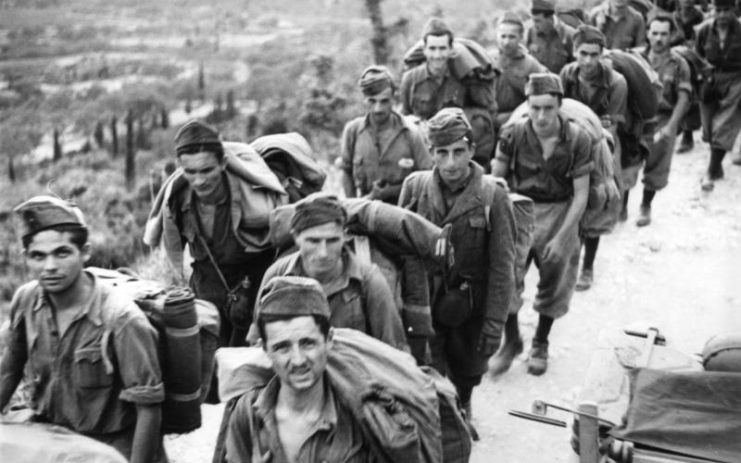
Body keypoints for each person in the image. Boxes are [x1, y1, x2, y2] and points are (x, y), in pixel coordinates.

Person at [0, 196, 165, 463]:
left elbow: (148, 408)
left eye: (62, 253)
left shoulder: (121, 319)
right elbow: (9, 370)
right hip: (53, 439)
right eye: (38, 256)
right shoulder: (26, 300)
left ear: (85, 252)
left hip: (109, 448)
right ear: (25, 258)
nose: (49, 266)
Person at [399, 108, 516, 418]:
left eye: (458, 152)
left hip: (471, 306)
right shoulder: (414, 188)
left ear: (472, 151)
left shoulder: (493, 195)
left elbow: (503, 266)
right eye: (442, 153)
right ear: (431, 153)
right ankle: (443, 419)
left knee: (468, 370)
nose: (450, 163)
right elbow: (400, 249)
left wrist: (494, 324)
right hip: (425, 301)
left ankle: (463, 404)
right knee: (428, 371)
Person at [490, 73, 591, 375]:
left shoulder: (577, 138)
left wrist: (563, 237)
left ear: (560, 105)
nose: (541, 116)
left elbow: (581, 194)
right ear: (527, 106)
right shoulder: (514, 134)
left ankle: (540, 341)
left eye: (548, 108)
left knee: (556, 278)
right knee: (506, 276)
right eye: (535, 108)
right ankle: (511, 341)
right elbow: (497, 180)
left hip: (561, 210)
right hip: (520, 208)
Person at [144, 120, 277, 347]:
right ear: (179, 166)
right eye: (190, 172)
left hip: (253, 288)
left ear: (223, 163)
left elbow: (279, 245)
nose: (199, 181)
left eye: (207, 170)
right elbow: (172, 247)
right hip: (206, 285)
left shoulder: (255, 200)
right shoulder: (176, 200)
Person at [225, 276, 375, 463]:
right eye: (282, 347)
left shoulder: (361, 415)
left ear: (328, 340)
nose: (297, 360)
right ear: (265, 349)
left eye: (307, 343)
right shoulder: (247, 414)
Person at [250, 194, 409, 352]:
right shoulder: (277, 276)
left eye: (332, 241)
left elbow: (393, 351)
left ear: (344, 237)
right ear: (296, 237)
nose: (323, 253)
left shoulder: (369, 281)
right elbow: (258, 347)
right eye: (313, 241)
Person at [560, 25, 628, 291]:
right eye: (583, 53)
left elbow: (610, 128)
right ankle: (566, 256)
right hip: (570, 138)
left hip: (604, 143)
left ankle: (588, 265)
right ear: (575, 52)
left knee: (598, 200)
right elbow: (560, 109)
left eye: (594, 54)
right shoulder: (567, 74)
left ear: (603, 54)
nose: (588, 61)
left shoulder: (616, 83)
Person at [632, 12, 692, 226]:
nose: (658, 39)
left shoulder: (679, 64)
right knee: (626, 163)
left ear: (671, 35)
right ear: (647, 33)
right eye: (654, 33)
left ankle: (645, 205)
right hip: (637, 117)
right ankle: (620, 207)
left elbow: (684, 98)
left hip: (663, 118)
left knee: (656, 166)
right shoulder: (635, 58)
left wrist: (671, 128)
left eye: (664, 34)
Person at [341, 65, 432, 204]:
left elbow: (427, 178)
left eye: (384, 101)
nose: (378, 109)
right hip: (365, 211)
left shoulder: (411, 133)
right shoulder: (353, 131)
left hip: (403, 212)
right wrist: (351, 206)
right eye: (372, 101)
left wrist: (391, 191)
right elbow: (346, 172)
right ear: (364, 99)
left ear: (393, 100)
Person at [696, 0, 741, 191]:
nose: (722, 15)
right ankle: (717, 166)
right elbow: (696, 56)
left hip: (736, 79)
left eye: (726, 10)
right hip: (710, 79)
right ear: (713, 10)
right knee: (708, 130)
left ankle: (710, 172)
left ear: (733, 10)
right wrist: (702, 77)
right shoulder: (704, 30)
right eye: (718, 10)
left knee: (723, 125)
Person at [400, 18, 466, 120]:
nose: (437, 55)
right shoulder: (410, 79)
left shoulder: (461, 77)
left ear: (451, 49)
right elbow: (405, 119)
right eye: (432, 48)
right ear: (424, 50)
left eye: (442, 48)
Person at [494, 12, 548, 127]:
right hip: (490, 121)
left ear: (521, 37)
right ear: (496, 35)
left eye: (512, 37)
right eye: (503, 36)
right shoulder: (488, 60)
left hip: (519, 121)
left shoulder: (531, 65)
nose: (506, 42)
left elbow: (544, 96)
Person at [674, 0, 707, 153]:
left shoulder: (699, 16)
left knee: (691, 91)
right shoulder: (673, 16)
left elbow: (702, 39)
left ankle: (688, 135)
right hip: (674, 56)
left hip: (693, 58)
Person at [526, 0, 577, 74]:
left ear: (550, 19)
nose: (534, 25)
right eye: (533, 20)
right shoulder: (531, 32)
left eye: (538, 21)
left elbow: (575, 67)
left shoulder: (568, 35)